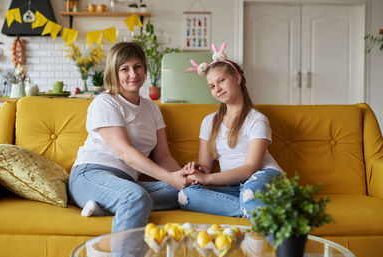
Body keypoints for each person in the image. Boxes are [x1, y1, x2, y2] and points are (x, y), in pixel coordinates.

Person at [68, 42, 193, 233]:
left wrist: (180, 178)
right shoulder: (105, 101)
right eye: (124, 69)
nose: (133, 74)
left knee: (184, 193)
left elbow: (163, 157)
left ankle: (108, 207)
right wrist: (168, 177)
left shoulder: (152, 108)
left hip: (126, 183)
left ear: (144, 68)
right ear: (114, 73)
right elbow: (124, 152)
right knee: (136, 197)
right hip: (90, 175)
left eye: (138, 66)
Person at [179, 44, 283, 221]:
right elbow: (205, 167)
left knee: (250, 192)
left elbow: (251, 167)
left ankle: (256, 207)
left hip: (263, 177)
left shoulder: (257, 120)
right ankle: (256, 208)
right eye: (212, 86)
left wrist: (207, 179)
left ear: (237, 78)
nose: (217, 88)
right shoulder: (209, 122)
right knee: (186, 196)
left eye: (221, 81)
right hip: (236, 187)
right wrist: (197, 171)